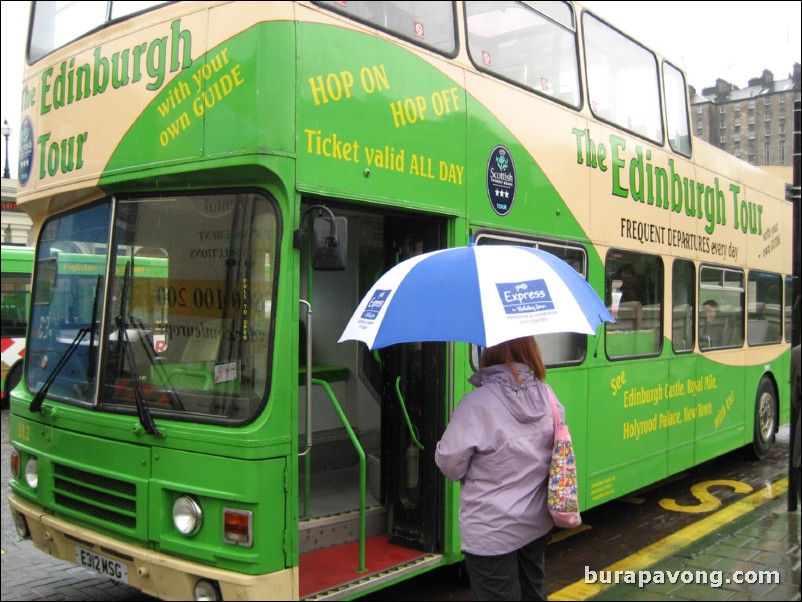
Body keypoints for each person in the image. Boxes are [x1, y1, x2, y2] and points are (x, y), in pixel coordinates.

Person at [435, 336, 562, 601]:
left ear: (489, 352)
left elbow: (450, 466)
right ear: (530, 351)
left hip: (491, 531)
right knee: (533, 593)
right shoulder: (547, 395)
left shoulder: (476, 404)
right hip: (537, 522)